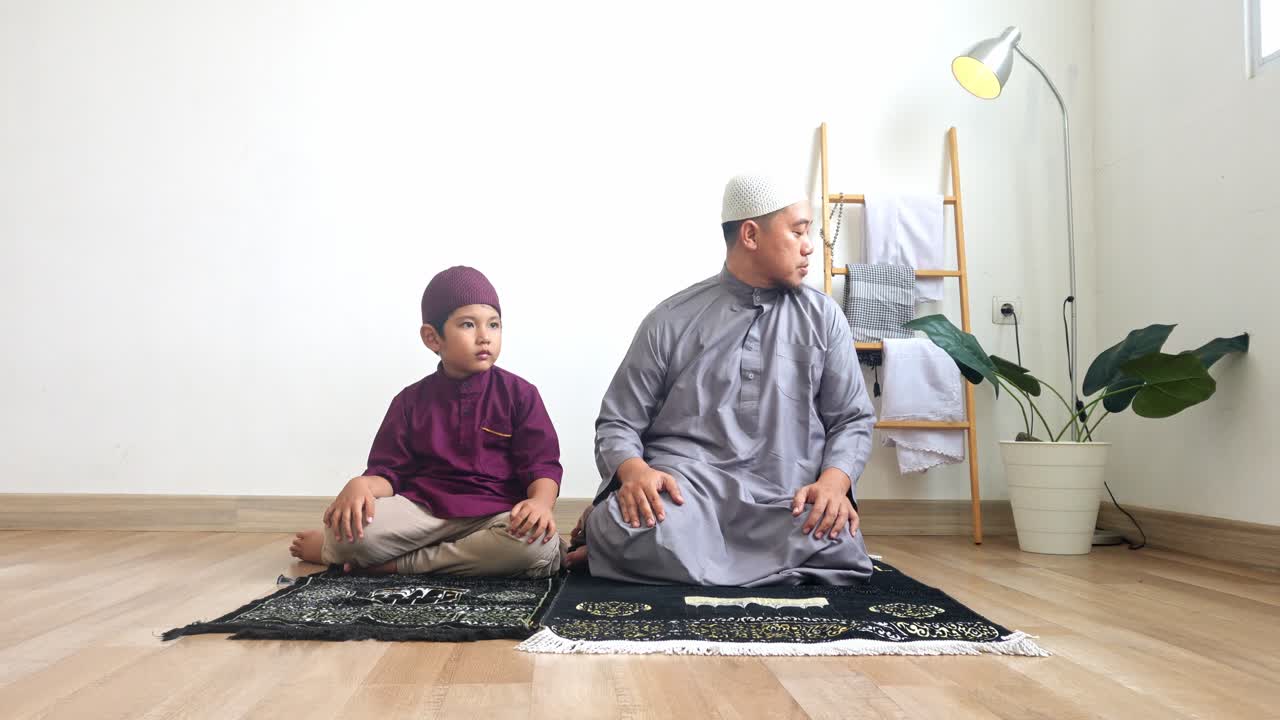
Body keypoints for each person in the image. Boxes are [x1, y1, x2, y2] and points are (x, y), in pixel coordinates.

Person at [567, 174, 877, 586]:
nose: (809, 246)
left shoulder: (823, 318)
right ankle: (635, 542)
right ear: (750, 234)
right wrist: (635, 473)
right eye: (799, 231)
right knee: (637, 522)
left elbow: (852, 419)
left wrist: (834, 485)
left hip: (784, 499)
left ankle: (626, 556)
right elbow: (618, 422)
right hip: (687, 497)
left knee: (839, 540)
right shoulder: (672, 319)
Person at [290, 266, 565, 577]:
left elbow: (542, 465)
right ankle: (339, 551)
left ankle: (394, 566)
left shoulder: (520, 394)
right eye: (468, 324)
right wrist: (361, 484)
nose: (484, 336)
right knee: (347, 536)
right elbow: (389, 473)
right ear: (433, 338)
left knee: (536, 545)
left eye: (494, 324)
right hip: (424, 511)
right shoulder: (410, 401)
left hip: (495, 514)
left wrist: (541, 504)